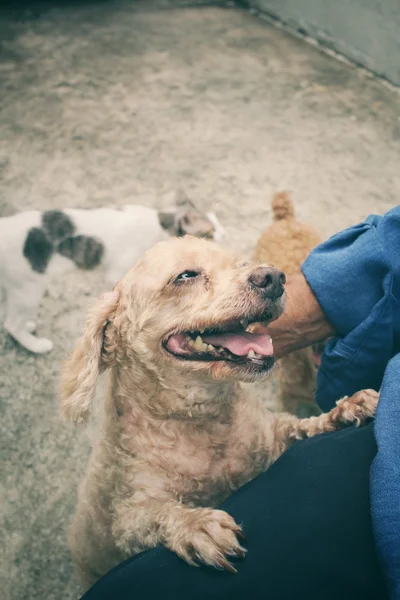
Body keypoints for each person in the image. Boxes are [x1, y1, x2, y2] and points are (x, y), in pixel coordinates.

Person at [82, 207, 400, 600]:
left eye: (235, 267)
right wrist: (173, 522)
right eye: (187, 277)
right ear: (119, 331)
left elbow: (275, 435)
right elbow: (129, 521)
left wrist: (320, 425)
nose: (261, 276)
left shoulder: (233, 400)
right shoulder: (132, 451)